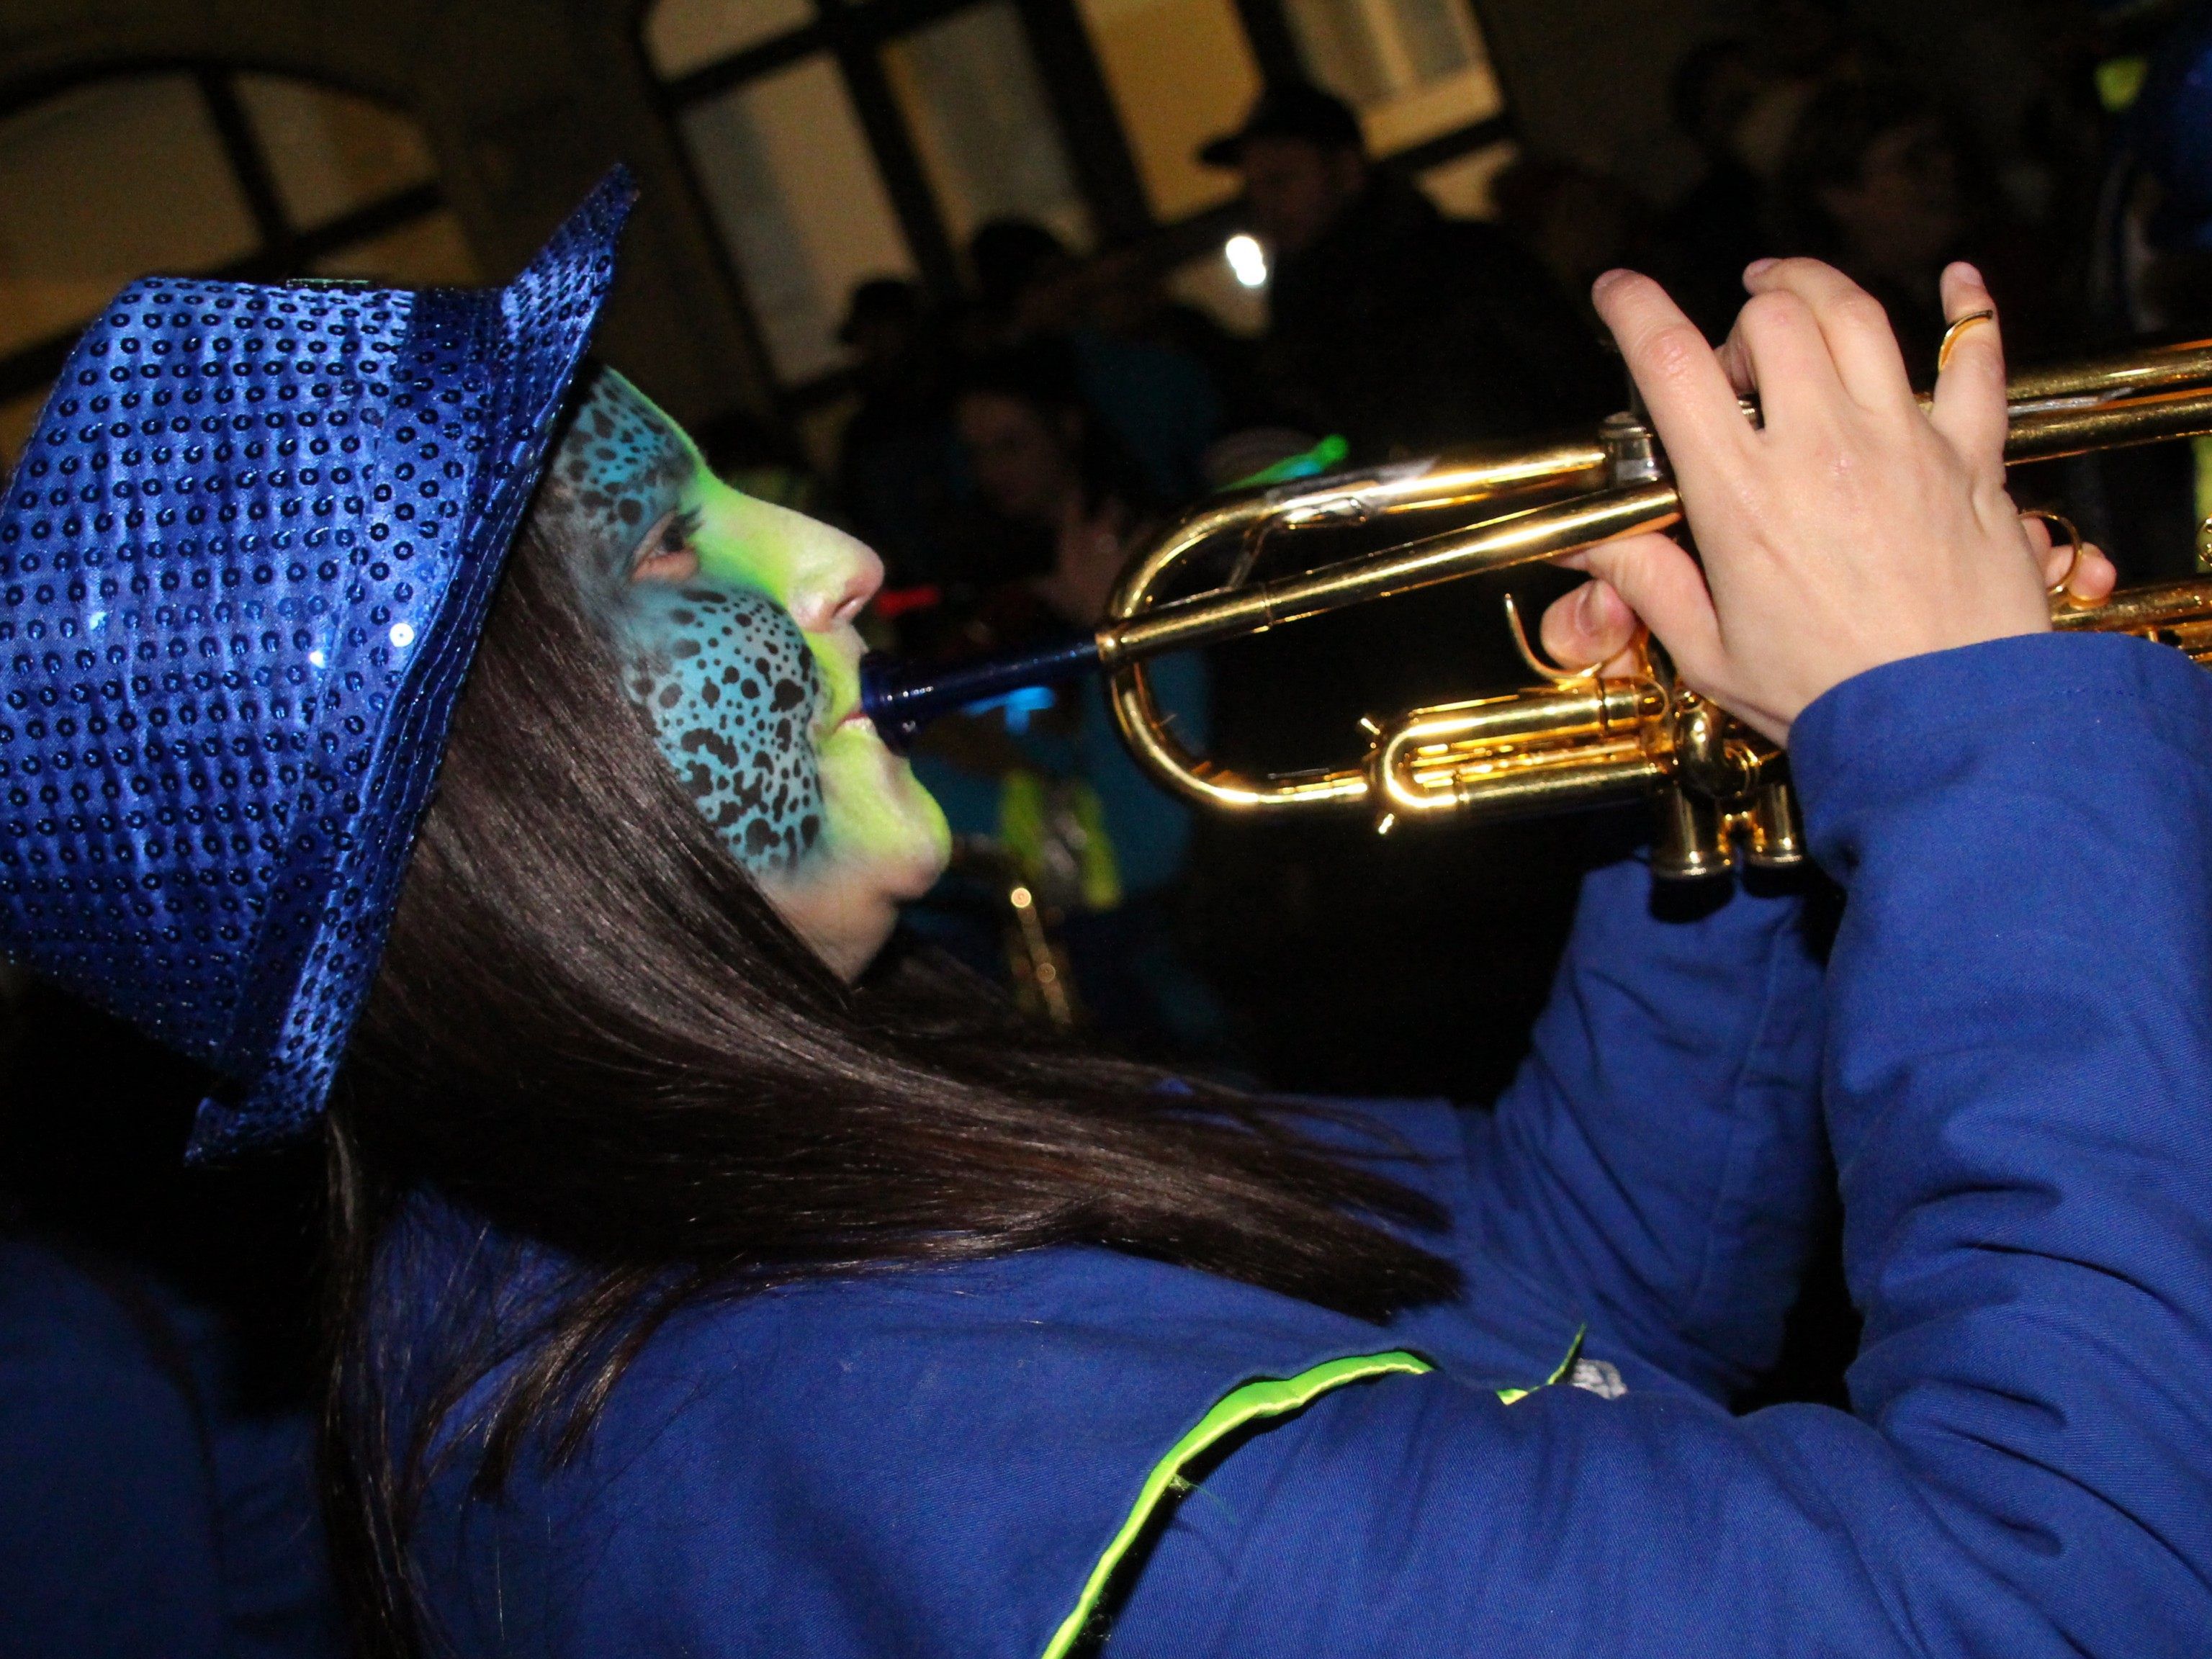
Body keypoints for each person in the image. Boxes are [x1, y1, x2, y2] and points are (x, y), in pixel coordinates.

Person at [5, 170, 2210, 1659]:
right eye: (677, 557)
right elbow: (2075, 1595)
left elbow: (1566, 1301)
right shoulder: (913, 1454)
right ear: (496, 818)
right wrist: (1979, 744)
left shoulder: (717, 1193)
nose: (834, 553)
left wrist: (1726, 811)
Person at [1200, 78, 1616, 458]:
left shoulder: (1465, 263)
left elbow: (1577, 387)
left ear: (1346, 171)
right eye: (1254, 188)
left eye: (1281, 181)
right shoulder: (1298, 306)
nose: (1265, 206)